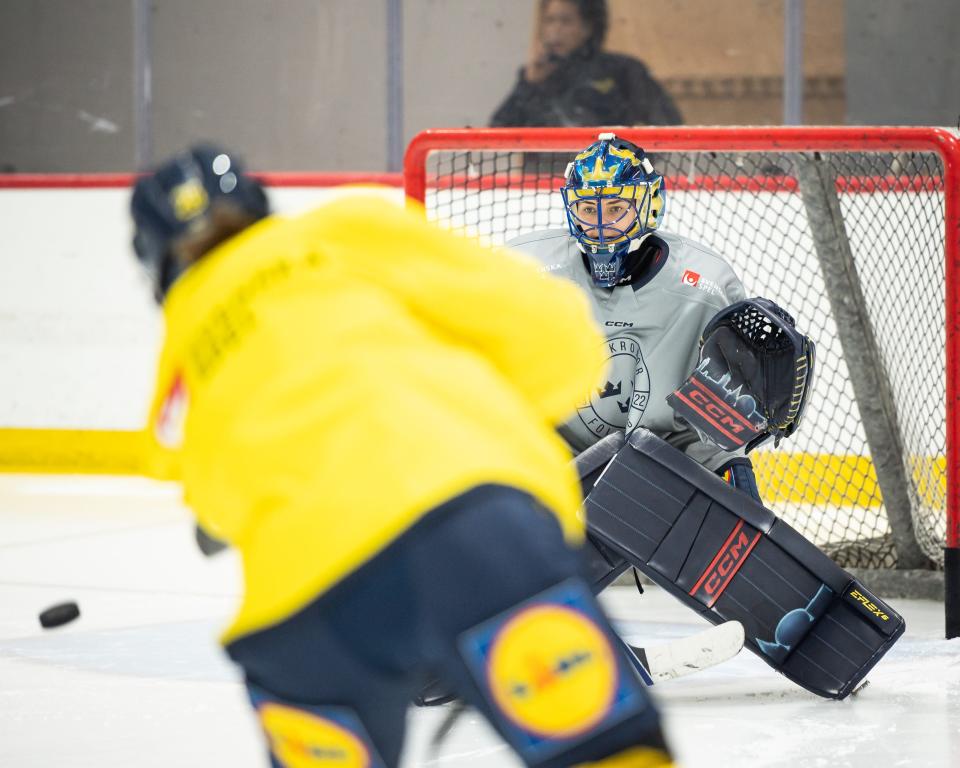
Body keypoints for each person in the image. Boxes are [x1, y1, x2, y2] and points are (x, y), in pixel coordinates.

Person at [130, 145, 675, 768]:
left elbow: (206, 495)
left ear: (155, 265)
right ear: (257, 206)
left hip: (300, 610)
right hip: (473, 530)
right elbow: (558, 339)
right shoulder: (343, 229)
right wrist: (484, 417)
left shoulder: (178, 354)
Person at [507, 132, 759, 589]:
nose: (600, 225)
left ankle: (755, 586)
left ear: (649, 205)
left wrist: (755, 411)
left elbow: (741, 400)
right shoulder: (521, 269)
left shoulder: (707, 282)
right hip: (564, 464)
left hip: (668, 465)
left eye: (616, 209)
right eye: (587, 210)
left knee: (730, 483)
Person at [490, 0, 682, 129]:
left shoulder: (622, 70)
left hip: (605, 183)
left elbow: (668, 124)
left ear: (588, 27)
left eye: (566, 21)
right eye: (550, 20)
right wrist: (528, 85)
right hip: (543, 184)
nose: (555, 30)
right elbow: (498, 128)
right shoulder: (536, 75)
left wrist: (632, 167)